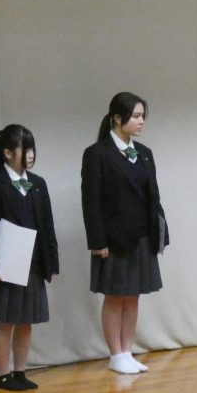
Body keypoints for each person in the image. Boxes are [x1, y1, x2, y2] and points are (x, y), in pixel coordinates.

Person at [81, 92, 168, 376]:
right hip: (113, 240)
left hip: (142, 236)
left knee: (133, 296)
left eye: (143, 116)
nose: (141, 121)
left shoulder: (144, 153)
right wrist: (98, 241)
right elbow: (91, 202)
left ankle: (127, 351)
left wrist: (160, 233)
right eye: (136, 116)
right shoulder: (97, 154)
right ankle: (115, 354)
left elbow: (153, 196)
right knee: (115, 296)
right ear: (117, 118)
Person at [0, 124, 59, 392]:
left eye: (32, 148)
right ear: (8, 153)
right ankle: (3, 374)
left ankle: (20, 371)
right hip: (6, 265)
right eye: (25, 148)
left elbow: (47, 224)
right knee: (6, 321)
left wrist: (51, 260)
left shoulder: (38, 184)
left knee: (26, 320)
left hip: (33, 262)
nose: (31, 154)